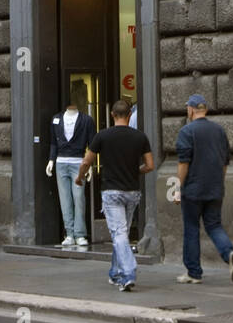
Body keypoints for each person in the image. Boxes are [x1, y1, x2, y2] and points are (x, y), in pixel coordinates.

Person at [77, 100, 153, 291]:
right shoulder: (140, 137)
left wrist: (80, 178)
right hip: (132, 191)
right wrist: (137, 171)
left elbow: (86, 161)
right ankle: (115, 272)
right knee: (122, 234)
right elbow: (150, 165)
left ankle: (128, 274)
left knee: (119, 234)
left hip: (111, 191)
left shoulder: (102, 136)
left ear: (112, 115)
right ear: (129, 115)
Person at [173, 94, 233, 284]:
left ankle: (193, 273)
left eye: (187, 108)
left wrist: (177, 188)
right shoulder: (219, 131)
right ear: (206, 110)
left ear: (191, 109)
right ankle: (229, 253)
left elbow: (183, 163)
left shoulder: (186, 131)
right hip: (215, 187)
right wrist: (220, 181)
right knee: (214, 225)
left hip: (193, 189)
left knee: (191, 228)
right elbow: (225, 161)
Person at [46, 82, 95, 246]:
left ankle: (80, 233)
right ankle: (69, 233)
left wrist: (90, 166)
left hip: (78, 162)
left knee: (79, 198)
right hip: (60, 163)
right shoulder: (56, 118)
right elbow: (53, 142)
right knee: (65, 199)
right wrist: (51, 160)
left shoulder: (87, 120)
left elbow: (92, 145)